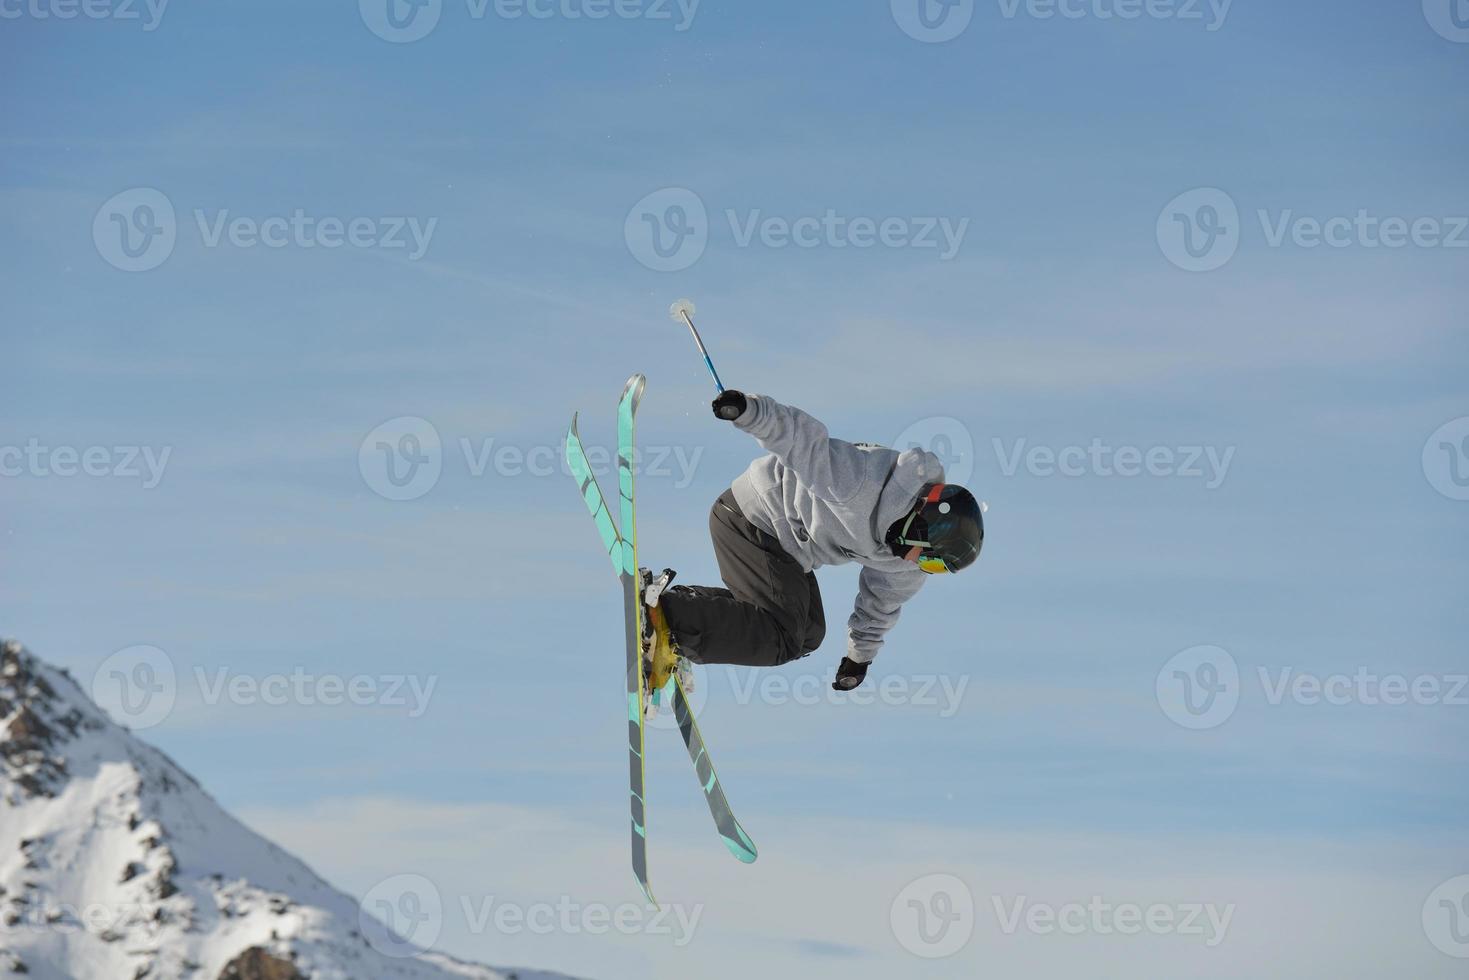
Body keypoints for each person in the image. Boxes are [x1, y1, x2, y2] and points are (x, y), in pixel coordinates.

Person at [644, 389, 983, 694]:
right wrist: (750, 411)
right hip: (750, 516)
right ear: (922, 520)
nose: (919, 564)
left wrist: (858, 659)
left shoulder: (905, 565)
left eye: (934, 567)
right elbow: (802, 440)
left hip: (788, 550)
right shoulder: (859, 483)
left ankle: (682, 620)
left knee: (808, 633)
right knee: (782, 636)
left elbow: (880, 604)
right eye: (930, 557)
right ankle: (671, 618)